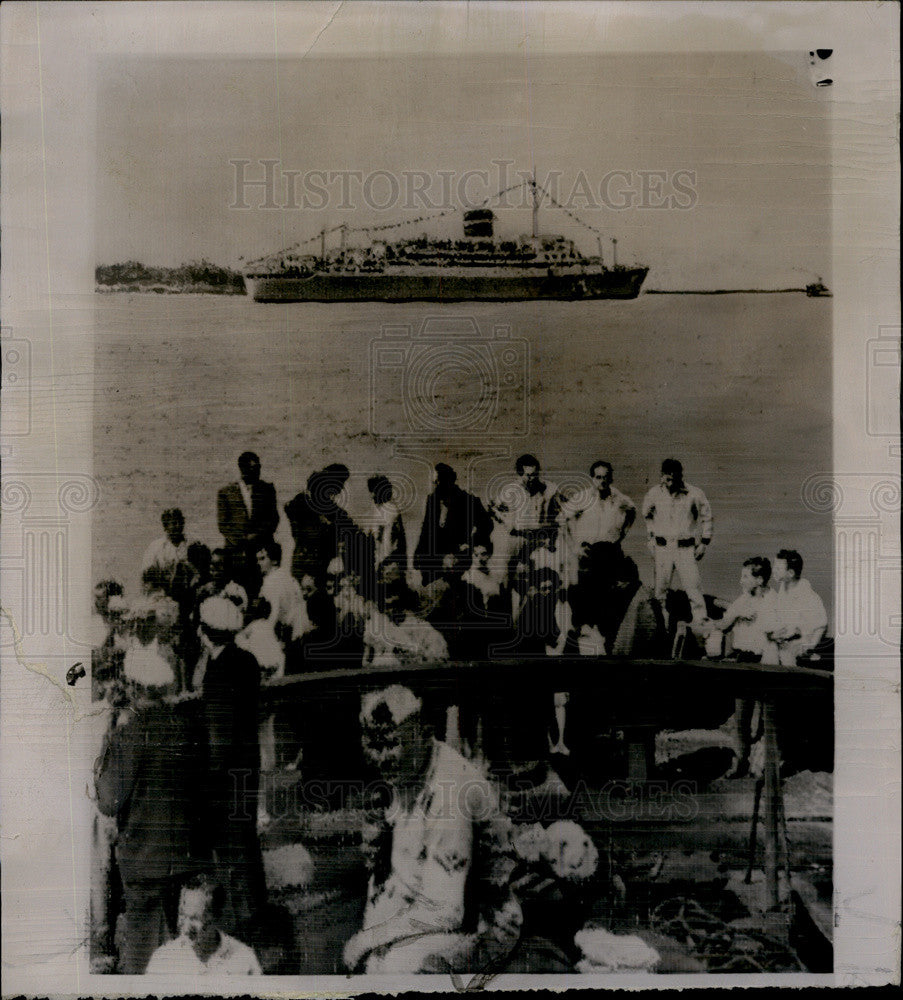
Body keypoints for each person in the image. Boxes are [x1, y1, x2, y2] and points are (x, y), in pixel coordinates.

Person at [343, 686, 521, 974]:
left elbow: (446, 911)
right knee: (369, 963)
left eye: (391, 743)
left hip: (481, 920)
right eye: (373, 746)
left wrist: (370, 938)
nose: (381, 757)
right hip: (419, 900)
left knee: (397, 968)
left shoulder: (452, 788)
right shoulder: (406, 768)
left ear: (424, 734)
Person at [93, 637, 205, 974]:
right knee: (180, 951)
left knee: (143, 955)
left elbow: (109, 802)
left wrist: (104, 748)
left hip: (143, 862)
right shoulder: (186, 727)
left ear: (133, 686)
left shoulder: (130, 734)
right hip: (183, 858)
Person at [197, 597, 267, 930]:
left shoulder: (218, 670)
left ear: (206, 632)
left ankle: (245, 918)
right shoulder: (248, 661)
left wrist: (208, 778)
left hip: (226, 772)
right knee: (246, 837)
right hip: (247, 764)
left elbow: (218, 734)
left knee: (232, 842)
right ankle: (255, 908)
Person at [641, 458, 713, 625]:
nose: (670, 480)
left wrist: (704, 542)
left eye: (674, 476)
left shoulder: (694, 493)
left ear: (681, 475)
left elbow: (707, 516)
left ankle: (701, 625)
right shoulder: (654, 493)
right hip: (662, 548)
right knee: (660, 591)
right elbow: (647, 514)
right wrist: (651, 537)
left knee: (693, 588)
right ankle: (661, 627)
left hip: (685, 548)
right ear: (662, 476)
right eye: (667, 476)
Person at [145, 875, 262, 975]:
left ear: (216, 918)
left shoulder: (244, 960)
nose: (186, 929)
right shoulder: (162, 961)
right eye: (182, 916)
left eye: (195, 919)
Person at [285, 463, 369, 587]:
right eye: (338, 485)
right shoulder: (300, 505)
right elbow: (312, 535)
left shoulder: (333, 510)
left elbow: (350, 529)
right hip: (306, 568)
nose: (339, 491)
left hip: (325, 569)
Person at [558, 461, 636, 592]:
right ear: (592, 479)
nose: (602, 481)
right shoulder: (583, 497)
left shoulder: (619, 498)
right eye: (598, 477)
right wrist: (574, 546)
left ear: (611, 478)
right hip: (587, 554)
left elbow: (632, 511)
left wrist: (622, 534)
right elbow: (561, 520)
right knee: (585, 594)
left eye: (606, 477)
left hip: (609, 554)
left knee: (607, 595)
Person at [414, 463, 493, 586]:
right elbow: (426, 529)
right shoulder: (432, 499)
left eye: (438, 482)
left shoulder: (467, 500)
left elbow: (487, 525)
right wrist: (418, 556)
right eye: (434, 482)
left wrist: (469, 545)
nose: (435, 486)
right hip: (434, 561)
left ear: (449, 481)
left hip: (457, 561)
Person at [217, 451, 279, 599]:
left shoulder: (267, 490)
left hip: (260, 554)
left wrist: (255, 536)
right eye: (252, 468)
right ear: (242, 469)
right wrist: (242, 541)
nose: (256, 472)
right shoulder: (226, 492)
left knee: (261, 595)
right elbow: (223, 525)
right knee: (237, 595)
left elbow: (273, 520)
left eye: (258, 468)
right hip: (236, 555)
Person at [363, 563, 449, 667]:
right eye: (383, 593)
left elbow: (437, 662)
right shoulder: (373, 628)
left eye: (393, 591)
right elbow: (365, 663)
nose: (387, 600)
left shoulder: (424, 631)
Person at [489, 454, 561, 571]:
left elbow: (561, 509)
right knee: (507, 571)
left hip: (536, 539)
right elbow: (493, 508)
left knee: (534, 572)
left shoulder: (547, 488)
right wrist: (506, 522)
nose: (531, 478)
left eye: (534, 475)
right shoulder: (510, 490)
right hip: (514, 538)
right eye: (528, 475)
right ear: (520, 474)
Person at [761, 549, 828, 666]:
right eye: (774, 566)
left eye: (778, 568)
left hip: (802, 645)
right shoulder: (783, 590)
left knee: (787, 655)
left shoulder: (807, 595)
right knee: (768, 649)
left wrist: (809, 647)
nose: (773, 571)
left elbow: (821, 625)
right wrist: (773, 634)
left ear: (790, 573)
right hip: (784, 641)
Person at [256, 539, 308, 646]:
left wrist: (263, 639)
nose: (258, 563)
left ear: (274, 561)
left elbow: (274, 613)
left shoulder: (272, 580)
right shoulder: (288, 577)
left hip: (288, 633)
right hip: (299, 632)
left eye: (262, 559)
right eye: (258, 559)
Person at [140, 508, 192, 593]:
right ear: (166, 526)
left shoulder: (191, 546)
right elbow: (146, 575)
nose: (178, 526)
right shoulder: (155, 547)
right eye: (174, 523)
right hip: (162, 594)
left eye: (180, 522)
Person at [364, 473, 407, 576]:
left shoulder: (390, 511)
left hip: (388, 563)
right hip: (380, 560)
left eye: (373, 491)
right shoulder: (377, 509)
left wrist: (383, 562)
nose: (371, 495)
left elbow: (389, 539)